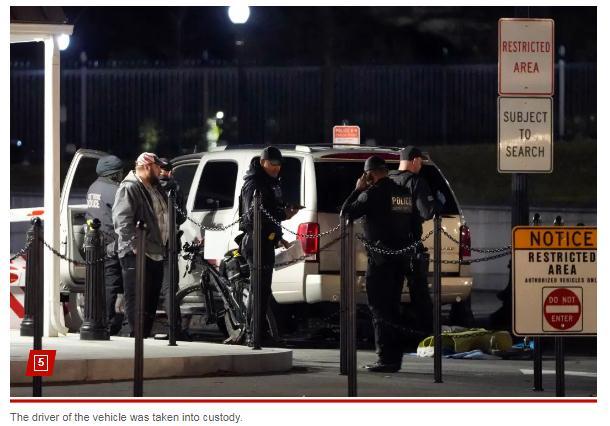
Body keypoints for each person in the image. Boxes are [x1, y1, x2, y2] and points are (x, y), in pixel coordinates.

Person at [341, 155, 417, 373]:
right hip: (400, 259)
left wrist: (357, 190)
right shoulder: (403, 193)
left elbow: (346, 214)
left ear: (369, 174)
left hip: (381, 261)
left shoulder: (372, 194)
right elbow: (416, 225)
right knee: (393, 307)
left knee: (379, 309)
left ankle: (385, 359)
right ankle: (395, 359)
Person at [238, 147, 298, 345]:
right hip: (256, 241)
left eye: (279, 165)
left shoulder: (269, 182)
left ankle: (257, 332)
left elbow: (268, 213)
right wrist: (283, 215)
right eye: (272, 164)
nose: (276, 168)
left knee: (262, 290)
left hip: (265, 240)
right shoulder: (254, 183)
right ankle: (254, 334)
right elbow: (254, 216)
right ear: (263, 162)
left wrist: (278, 236)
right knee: (259, 289)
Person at [388, 146, 445, 336]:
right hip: (410, 246)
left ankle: (393, 335)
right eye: (420, 162)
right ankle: (426, 335)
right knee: (420, 295)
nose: (420, 166)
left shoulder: (388, 180)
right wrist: (438, 202)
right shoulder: (416, 182)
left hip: (388, 247)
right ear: (414, 160)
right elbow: (427, 211)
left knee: (392, 296)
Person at [112, 152, 169, 337]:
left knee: (151, 299)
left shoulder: (154, 187)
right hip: (138, 252)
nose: (160, 171)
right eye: (157, 167)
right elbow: (122, 220)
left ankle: (144, 335)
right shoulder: (130, 187)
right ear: (147, 167)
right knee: (137, 298)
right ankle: (137, 336)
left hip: (155, 250)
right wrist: (133, 246)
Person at [85, 155, 125, 335]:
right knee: (111, 283)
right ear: (114, 174)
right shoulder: (116, 190)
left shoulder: (93, 187)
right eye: (120, 172)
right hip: (110, 242)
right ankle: (107, 323)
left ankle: (94, 318)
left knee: (95, 283)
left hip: (93, 241)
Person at [157, 158, 187, 339]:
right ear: (170, 171)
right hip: (170, 243)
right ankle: (174, 328)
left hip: (150, 241)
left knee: (147, 284)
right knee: (170, 287)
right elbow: (182, 217)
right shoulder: (175, 187)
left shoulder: (148, 187)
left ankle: (137, 327)